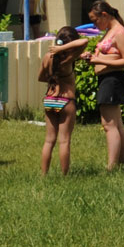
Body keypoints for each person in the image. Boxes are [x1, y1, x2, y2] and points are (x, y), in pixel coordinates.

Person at [87, 0, 124, 170]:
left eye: (95, 20)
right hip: (106, 79)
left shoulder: (119, 32)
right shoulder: (110, 31)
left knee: (109, 124)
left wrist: (99, 59)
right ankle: (120, 163)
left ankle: (112, 166)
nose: (94, 24)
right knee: (116, 123)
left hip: (113, 80)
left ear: (105, 15)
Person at [39, 26, 92, 177]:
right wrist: (67, 49)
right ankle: (64, 175)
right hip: (66, 100)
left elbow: (40, 77)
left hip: (49, 100)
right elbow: (84, 41)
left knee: (49, 141)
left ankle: (44, 174)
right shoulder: (68, 59)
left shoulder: (47, 57)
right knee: (64, 141)